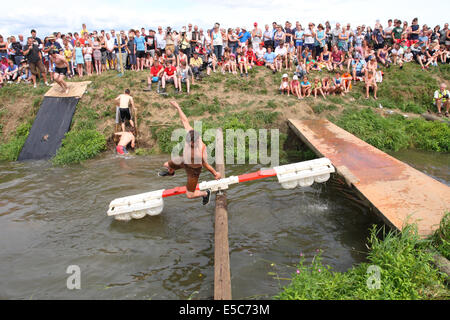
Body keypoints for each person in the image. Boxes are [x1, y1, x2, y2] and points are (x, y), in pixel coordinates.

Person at [160, 101, 221, 205]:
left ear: (196, 141)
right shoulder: (190, 132)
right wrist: (178, 107)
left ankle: (205, 193)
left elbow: (205, 164)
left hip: (193, 170)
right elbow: (184, 120)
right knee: (166, 165)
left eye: (191, 144)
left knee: (189, 195)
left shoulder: (200, 151)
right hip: (184, 160)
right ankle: (171, 172)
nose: (189, 144)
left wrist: (215, 173)